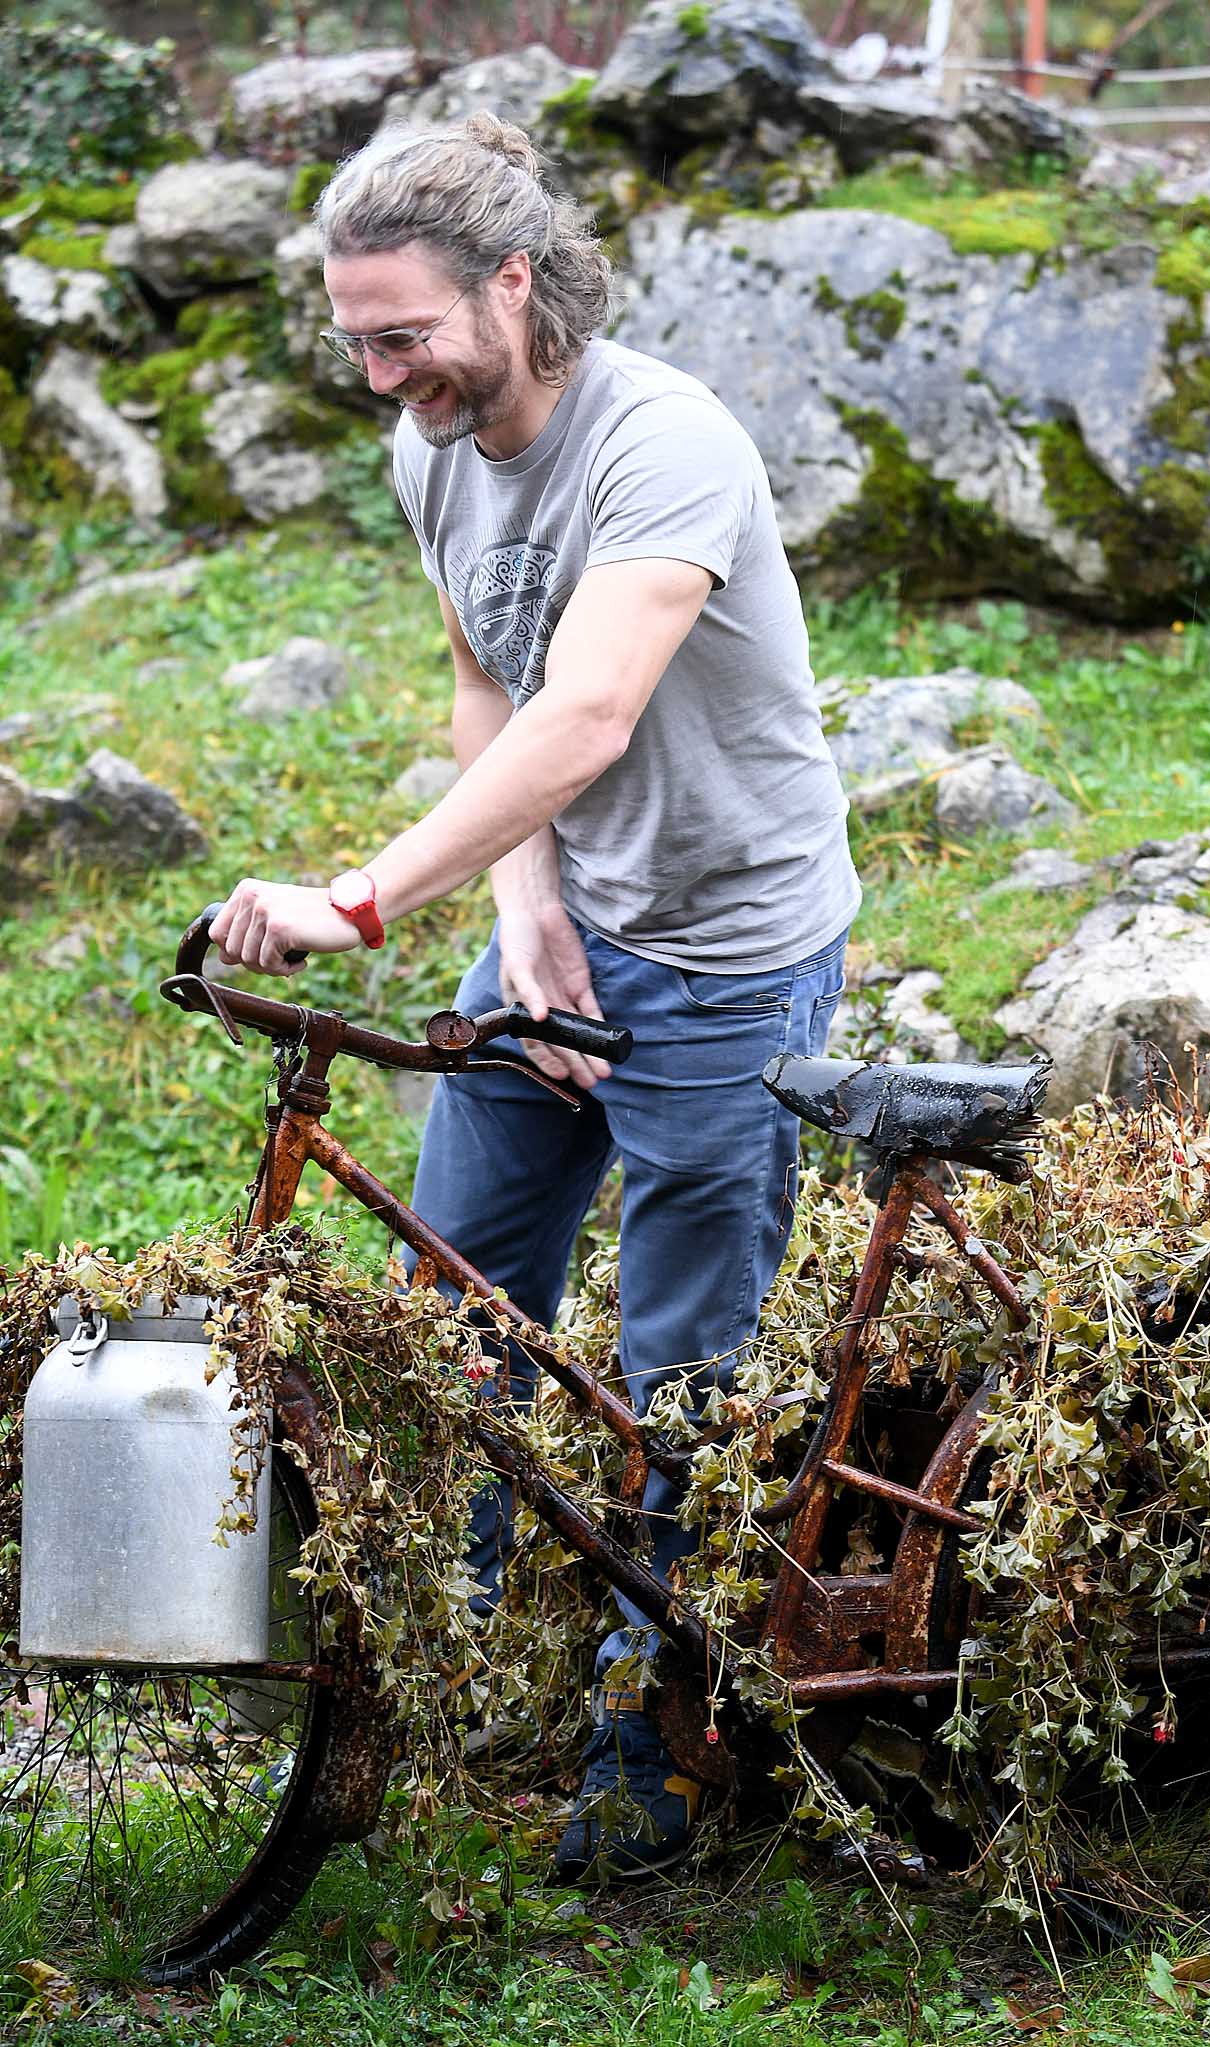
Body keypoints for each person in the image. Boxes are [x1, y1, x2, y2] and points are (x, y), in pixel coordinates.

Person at [210, 112, 861, 1883]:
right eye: (351, 338)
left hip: (728, 955)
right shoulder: (438, 444)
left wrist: (357, 903)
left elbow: (588, 710)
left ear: (515, 285)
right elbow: (486, 681)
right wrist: (522, 901)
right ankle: (454, 1661)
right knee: (458, 1312)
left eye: (400, 331)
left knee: (683, 1365)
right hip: (558, 936)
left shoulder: (665, 448)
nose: (376, 373)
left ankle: (649, 1737)